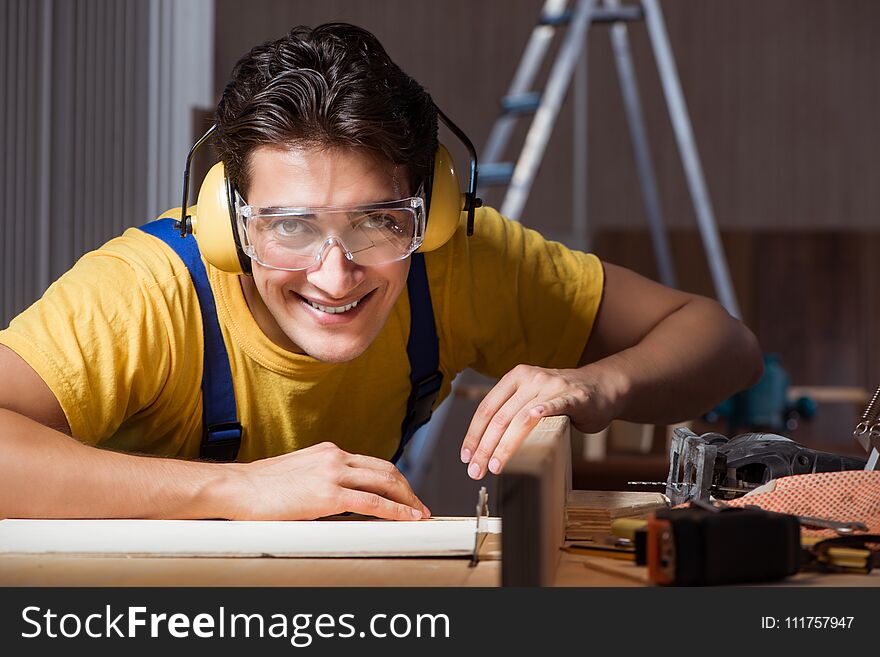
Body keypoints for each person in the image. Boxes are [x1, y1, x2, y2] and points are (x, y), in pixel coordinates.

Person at [0, 23, 762, 522]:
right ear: (232, 223)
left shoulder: (461, 263)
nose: (335, 275)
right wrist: (234, 490)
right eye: (290, 226)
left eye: (376, 222)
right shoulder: (147, 295)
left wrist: (597, 386)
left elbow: (725, 344)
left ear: (427, 215)